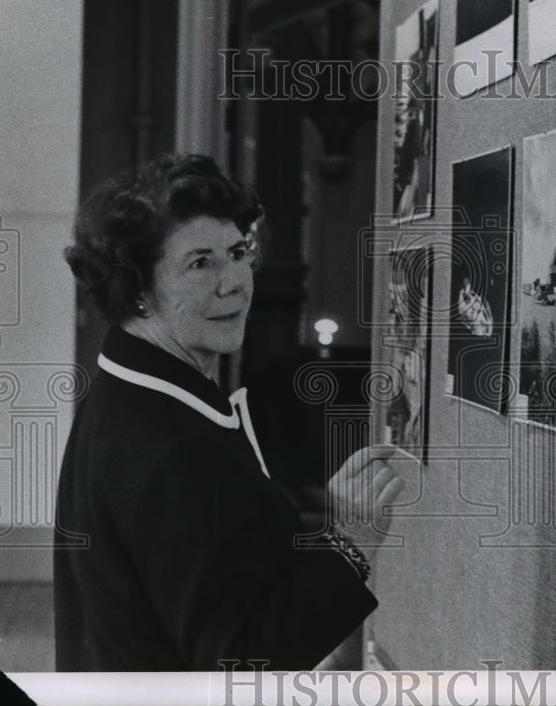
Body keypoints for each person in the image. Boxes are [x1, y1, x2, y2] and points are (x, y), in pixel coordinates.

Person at [55, 154, 402, 671]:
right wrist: (351, 543)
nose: (235, 281)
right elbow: (241, 664)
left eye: (238, 252)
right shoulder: (175, 447)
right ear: (139, 289)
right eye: (200, 263)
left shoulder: (128, 386)